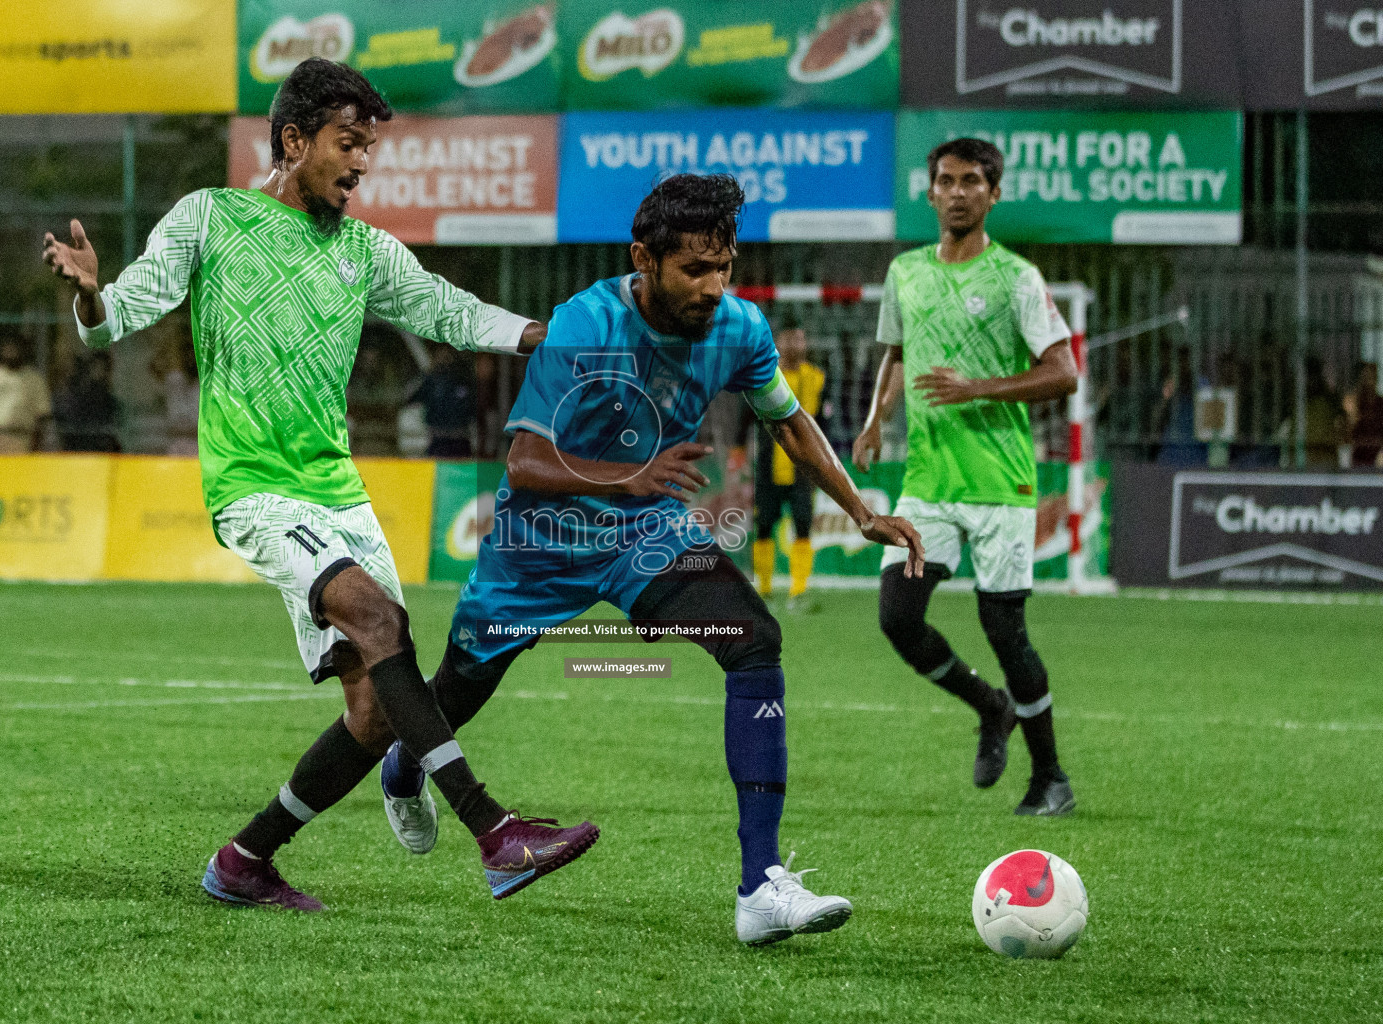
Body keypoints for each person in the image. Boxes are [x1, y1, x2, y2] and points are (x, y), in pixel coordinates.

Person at [42, 57, 594, 912]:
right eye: (348, 144)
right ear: (295, 141)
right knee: (377, 618)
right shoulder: (210, 218)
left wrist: (547, 336)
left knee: (374, 711)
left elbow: (448, 309)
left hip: (340, 490)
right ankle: (495, 832)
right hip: (254, 487)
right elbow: (118, 314)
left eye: (368, 147)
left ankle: (244, 860)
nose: (362, 163)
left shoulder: (365, 249)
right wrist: (88, 298)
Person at [376, 174, 925, 942]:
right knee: (457, 692)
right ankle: (404, 764)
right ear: (645, 258)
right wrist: (623, 476)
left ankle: (759, 885)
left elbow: (789, 422)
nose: (712, 287)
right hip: (540, 545)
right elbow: (527, 461)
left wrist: (862, 509)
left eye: (724, 266)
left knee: (754, 639)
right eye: (694, 271)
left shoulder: (739, 329)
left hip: (646, 536)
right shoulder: (584, 323)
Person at [851, 138, 1079, 817]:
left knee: (1004, 630)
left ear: (993, 193)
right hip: (926, 481)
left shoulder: (1016, 277)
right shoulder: (906, 273)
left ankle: (1051, 778)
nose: (957, 192)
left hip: (1000, 484)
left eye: (972, 181)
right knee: (898, 617)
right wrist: (874, 419)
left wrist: (978, 387)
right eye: (945, 180)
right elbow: (895, 352)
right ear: (930, 193)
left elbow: (1063, 372)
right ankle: (989, 706)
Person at [751, 327, 826, 611]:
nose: (795, 344)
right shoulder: (764, 376)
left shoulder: (817, 378)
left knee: (804, 525)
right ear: (778, 342)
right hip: (768, 468)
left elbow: (824, 427)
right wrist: (736, 452)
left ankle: (798, 591)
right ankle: (764, 589)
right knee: (763, 526)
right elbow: (747, 417)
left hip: (804, 470)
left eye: (800, 338)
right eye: (788, 338)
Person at [0, 340, 51, 453]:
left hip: (22, 437)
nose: (11, 351)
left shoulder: (34, 379)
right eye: (8, 347)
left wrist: (37, 445)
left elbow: (43, 416)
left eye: (15, 347)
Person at [407, 345, 474, 457]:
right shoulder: (430, 381)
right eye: (441, 355)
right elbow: (411, 398)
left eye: (448, 355)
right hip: (438, 439)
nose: (445, 359)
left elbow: (473, 408)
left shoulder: (464, 380)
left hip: (460, 438)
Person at [55, 351, 120, 452]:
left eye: (103, 368)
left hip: (100, 450)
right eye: (96, 367)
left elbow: (112, 428)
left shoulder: (109, 400)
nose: (99, 372)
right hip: (80, 449)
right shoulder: (81, 397)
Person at [1344, 362, 1382, 467]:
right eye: (1366, 378)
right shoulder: (1353, 402)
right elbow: (1347, 434)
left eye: (1372, 377)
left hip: (1378, 455)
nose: (1370, 382)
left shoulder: (1380, 404)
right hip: (1358, 456)